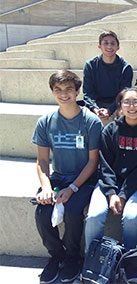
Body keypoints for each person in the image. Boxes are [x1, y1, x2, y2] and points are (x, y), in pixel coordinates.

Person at [32, 70, 102, 283]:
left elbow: (93, 162)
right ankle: (56, 256)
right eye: (58, 90)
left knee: (72, 211)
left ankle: (72, 257)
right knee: (42, 212)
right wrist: (45, 186)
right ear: (53, 92)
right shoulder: (45, 121)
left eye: (69, 89)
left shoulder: (91, 121)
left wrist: (72, 188)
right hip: (57, 178)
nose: (64, 94)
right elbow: (42, 161)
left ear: (77, 91)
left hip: (83, 179)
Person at [85, 88, 137, 253]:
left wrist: (123, 195)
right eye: (127, 102)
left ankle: (127, 260)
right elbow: (104, 164)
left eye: (136, 102)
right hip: (110, 183)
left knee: (131, 216)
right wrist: (111, 193)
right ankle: (91, 260)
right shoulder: (110, 130)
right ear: (120, 106)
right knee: (94, 216)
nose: (132, 106)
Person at [83, 30, 133, 123]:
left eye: (112, 43)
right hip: (96, 104)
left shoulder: (126, 67)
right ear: (99, 46)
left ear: (118, 47)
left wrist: (110, 110)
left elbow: (123, 94)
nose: (109, 46)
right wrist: (96, 109)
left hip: (117, 104)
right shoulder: (90, 65)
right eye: (105, 43)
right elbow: (88, 93)